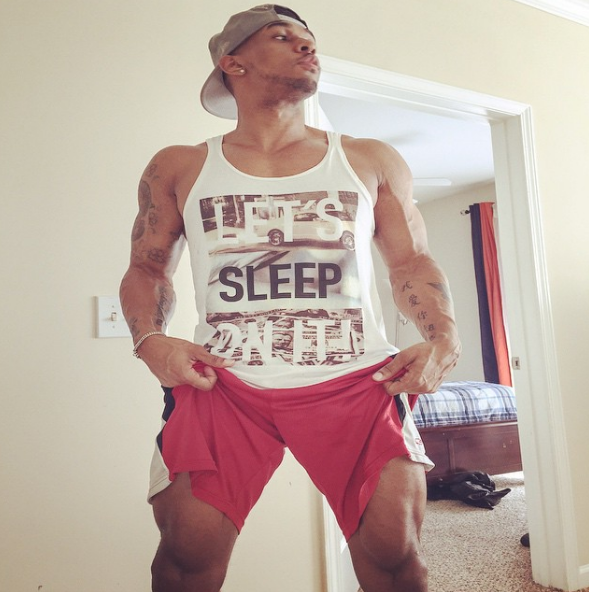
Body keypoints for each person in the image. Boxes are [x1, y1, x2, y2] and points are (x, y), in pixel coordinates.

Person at [119, 5, 461, 592]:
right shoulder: (180, 165)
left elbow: (411, 262)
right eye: (283, 37)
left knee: (394, 557)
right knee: (185, 558)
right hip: (221, 383)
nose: (308, 48)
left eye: (310, 40)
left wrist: (444, 338)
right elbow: (147, 268)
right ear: (233, 63)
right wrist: (149, 341)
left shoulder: (369, 159)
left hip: (359, 382)